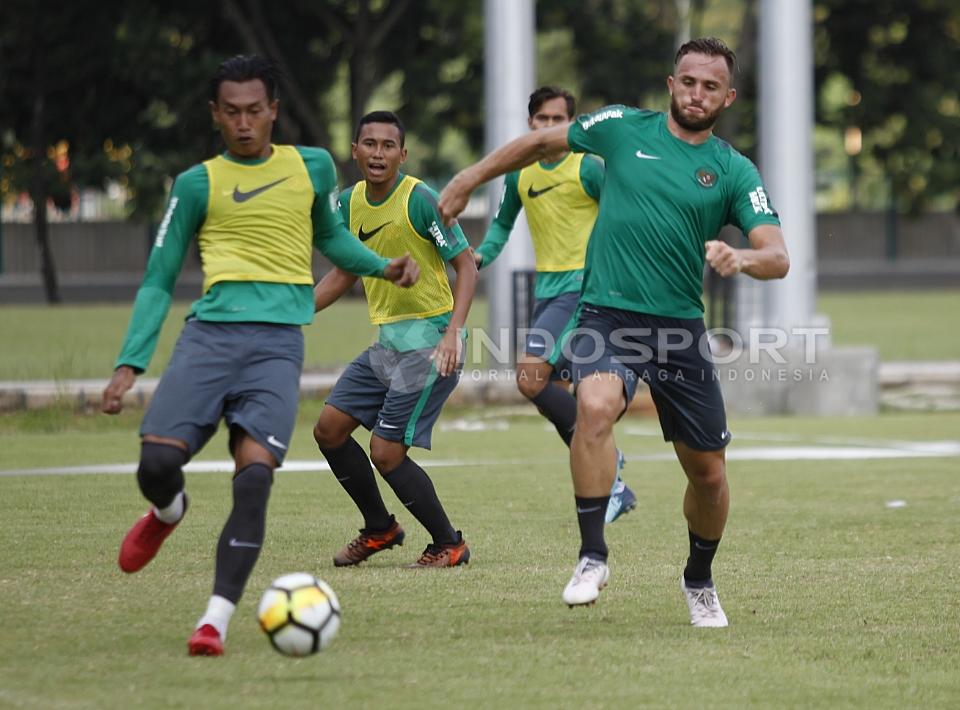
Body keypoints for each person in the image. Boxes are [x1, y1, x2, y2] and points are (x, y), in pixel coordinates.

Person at [439, 37, 789, 628]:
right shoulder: (622, 126)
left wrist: (741, 258)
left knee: (708, 475)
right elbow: (539, 142)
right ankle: (591, 556)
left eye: (710, 86)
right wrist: (471, 176)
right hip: (607, 313)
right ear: (671, 83)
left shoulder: (733, 169)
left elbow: (777, 255)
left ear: (726, 97)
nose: (696, 93)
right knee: (595, 406)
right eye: (688, 81)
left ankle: (698, 580)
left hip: (679, 327)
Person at [101, 55, 420, 657]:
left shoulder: (311, 166)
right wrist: (129, 364)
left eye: (255, 111)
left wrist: (382, 265)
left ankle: (213, 622)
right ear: (215, 115)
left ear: (273, 110)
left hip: (276, 347)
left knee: (254, 480)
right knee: (155, 465)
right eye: (232, 112)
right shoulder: (197, 183)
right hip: (209, 340)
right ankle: (167, 512)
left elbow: (329, 238)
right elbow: (158, 276)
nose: (244, 123)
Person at [311, 111, 477, 569]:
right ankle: (380, 528)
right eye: (370, 144)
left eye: (388, 146)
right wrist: (295, 310)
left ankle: (449, 543)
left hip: (428, 344)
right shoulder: (346, 204)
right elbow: (345, 270)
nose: (378, 153)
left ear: (402, 154)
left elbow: (466, 265)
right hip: (387, 345)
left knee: (385, 452)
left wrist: (453, 333)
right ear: (355, 151)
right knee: (329, 429)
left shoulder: (421, 199)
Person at [473, 86, 636, 524]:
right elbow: (501, 227)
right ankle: (612, 484)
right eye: (541, 120)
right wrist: (477, 257)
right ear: (530, 124)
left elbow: (624, 214)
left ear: (571, 125)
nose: (548, 128)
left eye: (557, 120)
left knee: (529, 377)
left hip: (583, 290)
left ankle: (612, 464)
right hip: (548, 293)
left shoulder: (587, 168)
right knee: (564, 395)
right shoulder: (519, 174)